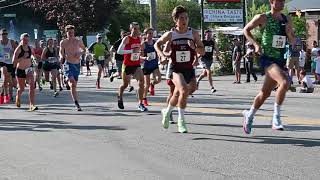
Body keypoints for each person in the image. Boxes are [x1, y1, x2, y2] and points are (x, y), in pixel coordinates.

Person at [242, 0, 295, 134]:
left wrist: (290, 35)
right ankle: (276, 117)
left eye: (283, 1)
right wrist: (255, 44)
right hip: (267, 59)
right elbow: (246, 30)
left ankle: (249, 115)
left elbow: (293, 40)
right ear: (271, 2)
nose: (282, 3)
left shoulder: (286, 19)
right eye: (279, 0)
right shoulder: (263, 17)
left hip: (280, 60)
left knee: (265, 93)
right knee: (284, 81)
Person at [154, 6, 205, 133]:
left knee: (185, 92)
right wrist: (162, 55)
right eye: (181, 18)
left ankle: (167, 111)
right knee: (183, 90)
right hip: (175, 68)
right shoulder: (171, 34)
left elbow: (202, 50)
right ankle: (181, 121)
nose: (184, 20)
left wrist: (194, 48)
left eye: (186, 18)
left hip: (188, 68)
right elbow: (157, 44)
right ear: (175, 20)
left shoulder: (193, 33)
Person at [117, 22, 148, 112]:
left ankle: (140, 103)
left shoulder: (140, 38)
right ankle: (120, 96)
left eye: (137, 28)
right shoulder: (127, 38)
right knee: (125, 85)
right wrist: (131, 51)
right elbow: (119, 51)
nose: (136, 30)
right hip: (127, 65)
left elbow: (139, 51)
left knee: (142, 82)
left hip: (136, 64)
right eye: (134, 28)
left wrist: (141, 55)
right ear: (131, 29)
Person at [59, 25, 86, 111]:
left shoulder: (78, 41)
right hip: (67, 64)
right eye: (69, 32)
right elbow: (60, 52)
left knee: (74, 86)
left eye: (72, 32)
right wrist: (61, 57)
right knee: (73, 83)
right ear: (66, 33)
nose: (71, 34)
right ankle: (76, 103)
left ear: (74, 32)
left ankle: (66, 79)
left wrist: (80, 53)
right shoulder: (63, 42)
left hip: (76, 64)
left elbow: (84, 49)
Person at [12, 33, 38, 111]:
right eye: (24, 40)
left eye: (27, 40)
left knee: (32, 86)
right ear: (21, 40)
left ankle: (32, 105)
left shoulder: (30, 48)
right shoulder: (19, 49)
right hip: (20, 70)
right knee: (22, 88)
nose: (26, 41)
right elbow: (14, 62)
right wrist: (22, 57)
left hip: (29, 69)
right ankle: (18, 96)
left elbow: (33, 57)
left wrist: (35, 62)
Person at [140, 28, 161, 106]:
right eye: (149, 33)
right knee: (146, 85)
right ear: (146, 35)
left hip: (154, 64)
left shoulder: (155, 43)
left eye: (152, 33)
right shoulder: (143, 44)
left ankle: (153, 84)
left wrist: (161, 57)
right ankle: (144, 99)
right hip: (147, 66)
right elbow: (139, 56)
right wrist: (145, 58)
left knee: (158, 79)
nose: (151, 35)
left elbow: (159, 52)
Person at [0, 28, 18, 104]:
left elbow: (17, 52)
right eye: (3, 34)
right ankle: (4, 95)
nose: (4, 35)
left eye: (6, 34)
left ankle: (7, 94)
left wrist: (13, 53)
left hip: (10, 63)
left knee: (11, 82)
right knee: (4, 72)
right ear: (0, 35)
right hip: (1, 62)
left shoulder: (11, 42)